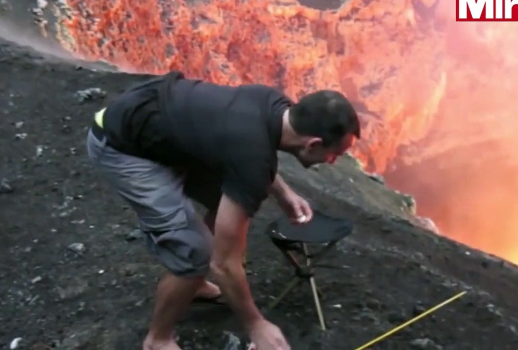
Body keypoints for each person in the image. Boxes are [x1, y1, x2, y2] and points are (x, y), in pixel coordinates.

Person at [86, 71, 361, 350]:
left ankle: (192, 284)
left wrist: (284, 193)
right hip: (123, 145)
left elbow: (250, 155)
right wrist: (256, 325)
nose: (333, 162)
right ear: (313, 143)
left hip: (160, 124)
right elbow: (225, 264)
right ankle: (158, 338)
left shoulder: (273, 105)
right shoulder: (251, 156)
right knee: (196, 253)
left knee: (224, 204)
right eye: (334, 154)